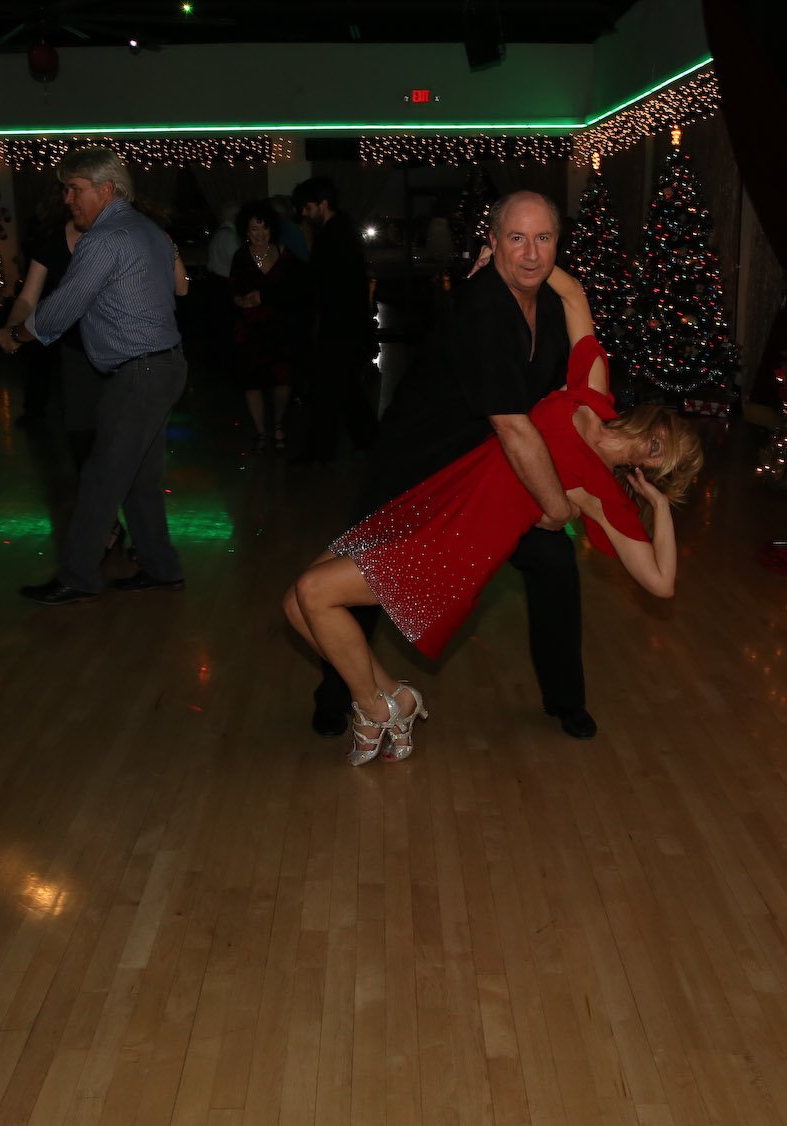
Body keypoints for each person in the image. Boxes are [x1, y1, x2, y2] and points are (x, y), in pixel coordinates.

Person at [286, 266, 698, 765]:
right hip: (435, 499)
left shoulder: (602, 496)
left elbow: (661, 583)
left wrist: (660, 506)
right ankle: (394, 697)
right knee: (296, 605)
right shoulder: (591, 393)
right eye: (664, 441)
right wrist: (510, 254)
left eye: (665, 461)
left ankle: (374, 707)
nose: (655, 452)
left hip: (457, 545)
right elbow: (573, 295)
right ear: (656, 420)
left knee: (315, 593)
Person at [310, 191, 607, 741]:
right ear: (491, 243)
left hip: (490, 471)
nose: (531, 253)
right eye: (516, 238)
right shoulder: (482, 308)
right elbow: (513, 424)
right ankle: (339, 694)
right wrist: (556, 506)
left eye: (543, 238)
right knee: (358, 579)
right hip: (417, 466)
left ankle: (566, 701)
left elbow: (562, 400)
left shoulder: (548, 304)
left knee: (554, 564)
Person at [0, 148, 186, 605]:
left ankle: (78, 575)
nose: (67, 199)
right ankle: (160, 568)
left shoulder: (104, 239)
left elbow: (63, 307)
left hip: (140, 373)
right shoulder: (147, 230)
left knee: (101, 477)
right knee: (139, 479)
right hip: (163, 366)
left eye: (75, 189)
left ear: (106, 189)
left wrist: (18, 335)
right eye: (66, 189)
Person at [292, 176, 378, 463]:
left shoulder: (335, 235)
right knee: (343, 388)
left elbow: (328, 283)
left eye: (307, 207)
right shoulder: (339, 230)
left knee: (328, 389)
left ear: (323, 204)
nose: (305, 214)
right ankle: (369, 440)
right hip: (343, 325)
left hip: (340, 326)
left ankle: (322, 451)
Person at [228, 199, 302, 451]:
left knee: (284, 381)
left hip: (280, 329)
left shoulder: (284, 254)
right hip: (249, 330)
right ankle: (261, 432)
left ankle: (278, 423)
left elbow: (297, 290)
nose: (260, 234)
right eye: (254, 229)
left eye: (264, 228)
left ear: (272, 229)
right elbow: (233, 289)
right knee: (252, 382)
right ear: (246, 232)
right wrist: (239, 300)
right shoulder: (240, 257)